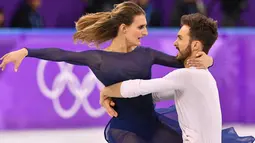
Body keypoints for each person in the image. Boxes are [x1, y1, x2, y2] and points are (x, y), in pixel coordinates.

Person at [0, 2, 213, 143]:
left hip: (153, 125)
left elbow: (185, 63)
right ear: (123, 28)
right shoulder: (98, 59)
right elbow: (61, 54)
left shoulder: (147, 54)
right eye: (140, 27)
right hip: (125, 131)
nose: (146, 32)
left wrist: (208, 59)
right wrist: (26, 51)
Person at [100, 13, 255, 143]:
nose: (175, 43)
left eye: (180, 38)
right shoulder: (198, 76)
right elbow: (150, 96)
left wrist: (107, 91)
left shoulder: (188, 75)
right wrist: (116, 98)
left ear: (195, 45)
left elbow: (139, 87)